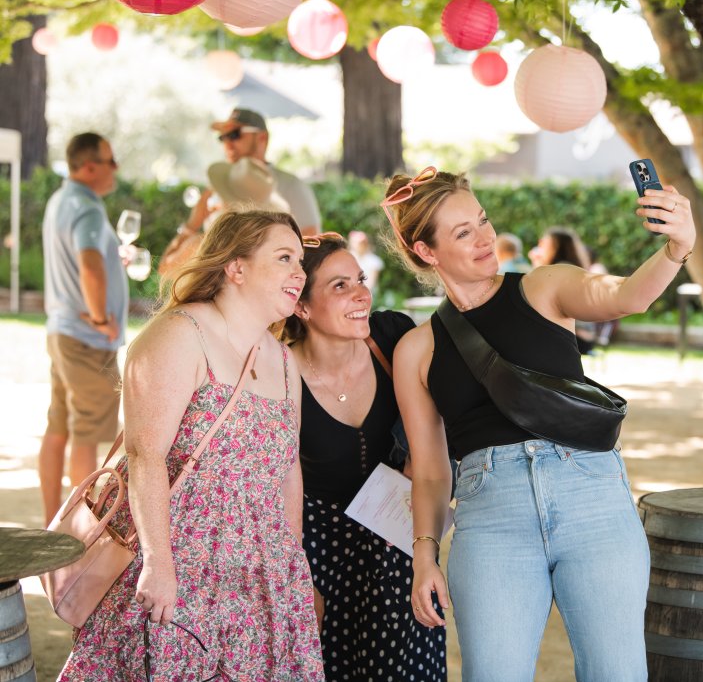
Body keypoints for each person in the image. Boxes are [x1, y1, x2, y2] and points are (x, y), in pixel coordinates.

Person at [384, 166, 696, 681]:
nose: (486, 238)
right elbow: (433, 471)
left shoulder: (544, 287)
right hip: (491, 520)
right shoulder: (416, 349)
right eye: (464, 233)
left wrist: (676, 249)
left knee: (615, 673)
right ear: (426, 252)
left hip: (591, 499)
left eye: (483, 221)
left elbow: (627, 295)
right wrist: (424, 557)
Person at [58, 210, 325, 680]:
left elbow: (288, 470)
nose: (299, 273)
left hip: (259, 572)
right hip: (180, 560)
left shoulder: (284, 361)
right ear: (236, 267)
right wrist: (159, 564)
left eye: (300, 261)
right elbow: (145, 456)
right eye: (284, 258)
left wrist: (292, 561)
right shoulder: (181, 335)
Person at [281, 233, 446, 681]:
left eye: (359, 279)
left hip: (395, 534)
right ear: (301, 305)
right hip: (313, 546)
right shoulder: (277, 370)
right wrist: (296, 577)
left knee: (405, 668)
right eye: (339, 286)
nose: (361, 293)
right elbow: (275, 481)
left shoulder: (392, 337)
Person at [39, 132, 128, 524]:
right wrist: (100, 318)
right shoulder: (88, 209)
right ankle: (79, 532)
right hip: (86, 338)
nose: (116, 168)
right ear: (89, 166)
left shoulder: (61, 199)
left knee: (59, 426)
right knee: (88, 435)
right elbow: (89, 264)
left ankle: (52, 523)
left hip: (61, 332)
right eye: (110, 161)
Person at [158, 157, 290, 277]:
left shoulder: (207, 246)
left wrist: (192, 225)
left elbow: (164, 269)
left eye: (218, 193)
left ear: (225, 202)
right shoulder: (268, 252)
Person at [211, 107, 322, 236]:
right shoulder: (222, 184)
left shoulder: (291, 185)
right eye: (223, 137)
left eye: (234, 134)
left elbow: (312, 240)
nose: (228, 144)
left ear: (262, 137)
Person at [528, 227, 599, 353]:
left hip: (576, 337)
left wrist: (536, 264)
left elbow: (535, 298)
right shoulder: (570, 267)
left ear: (556, 247)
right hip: (582, 336)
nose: (540, 247)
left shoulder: (561, 269)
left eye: (544, 244)